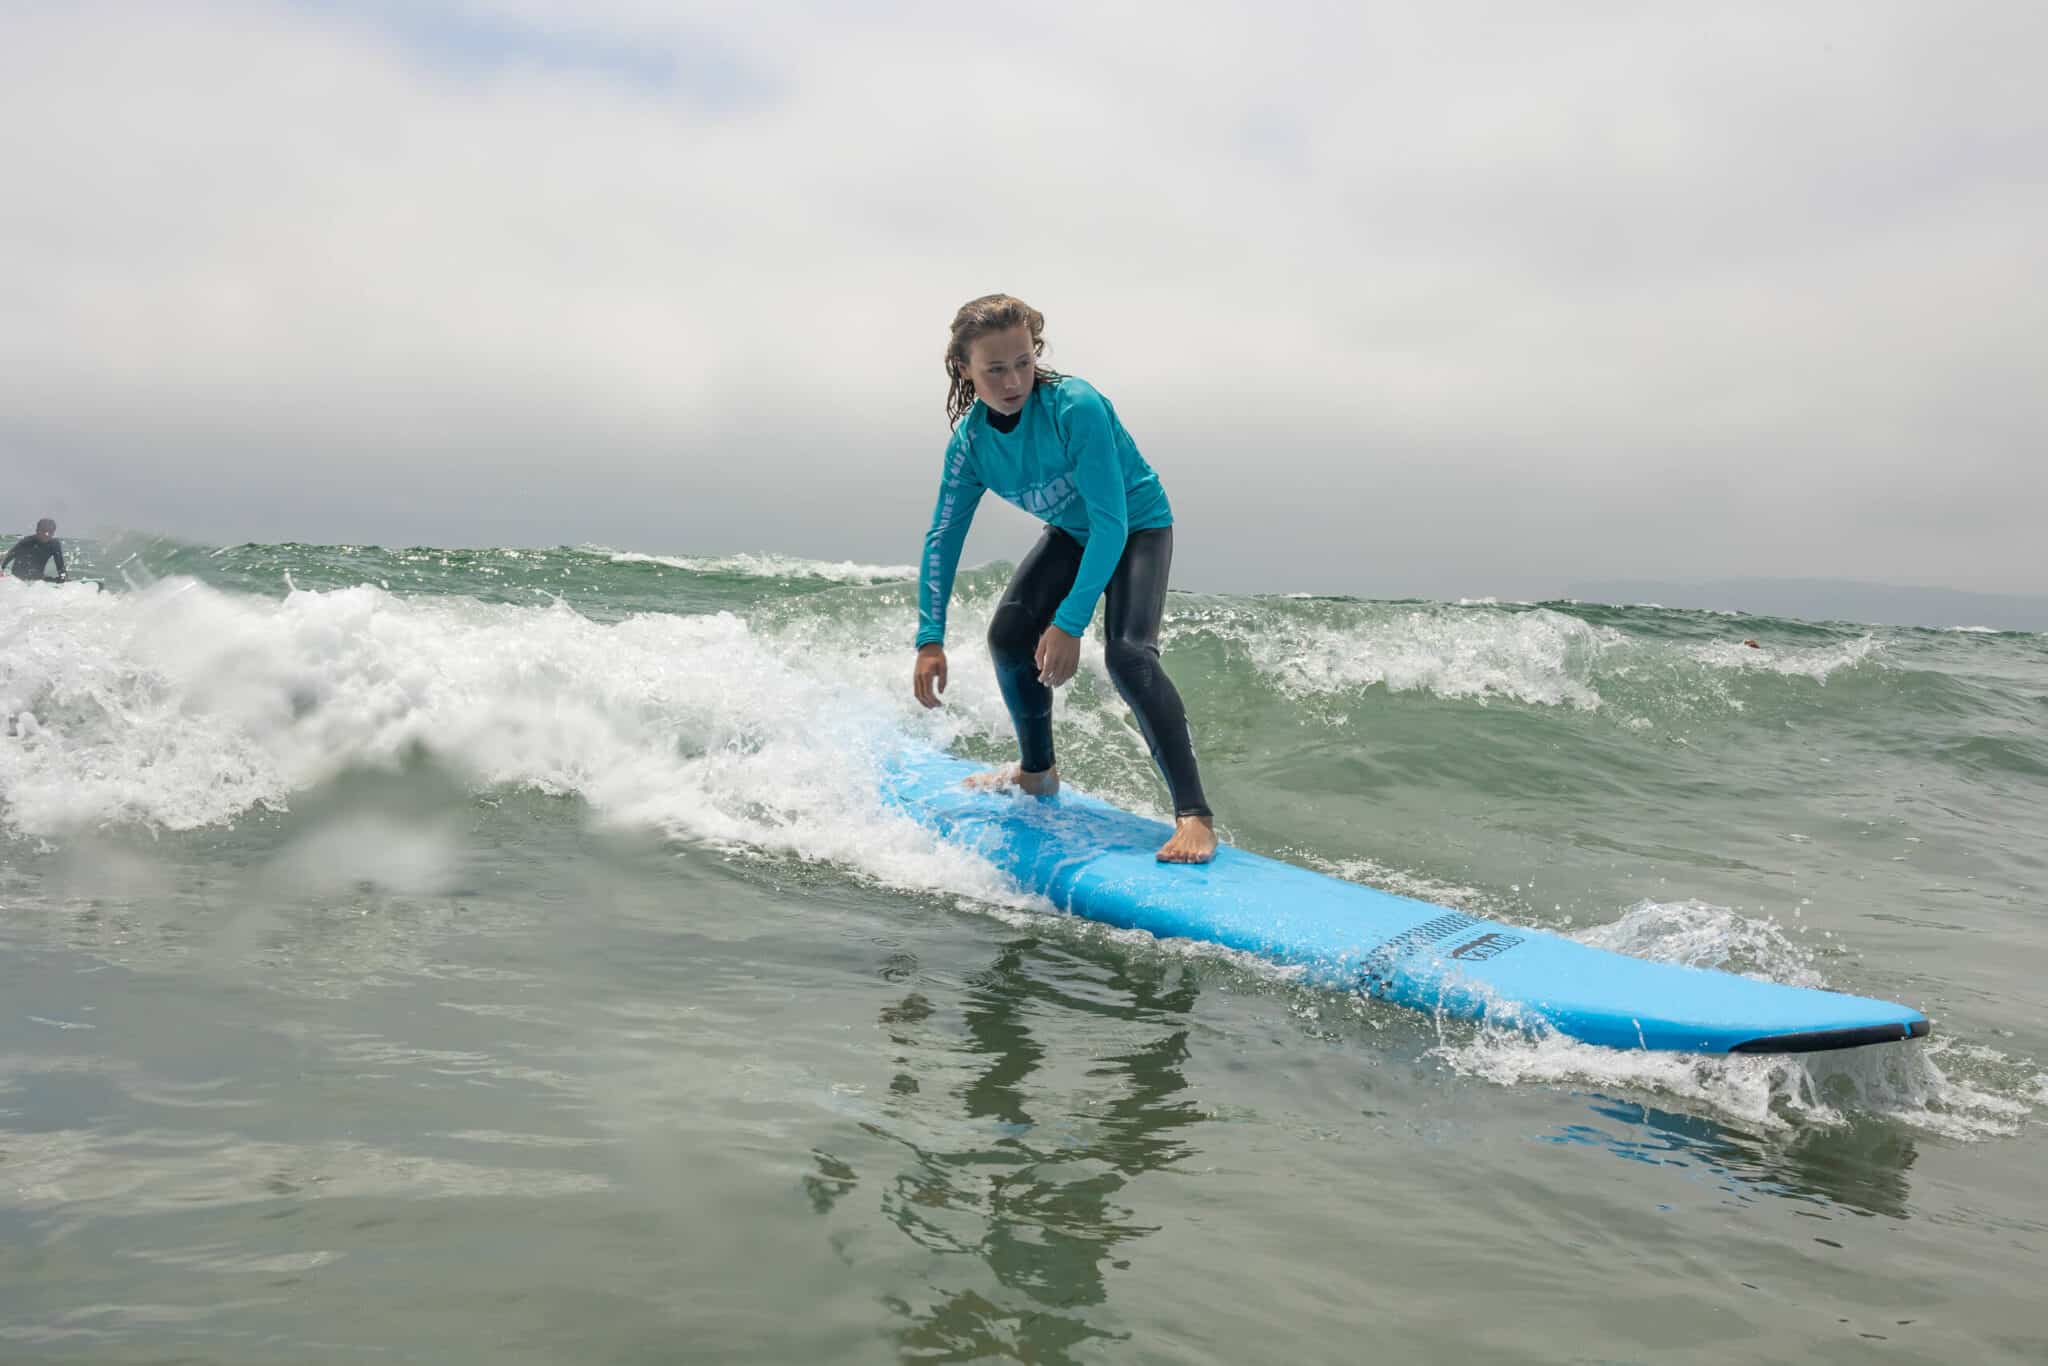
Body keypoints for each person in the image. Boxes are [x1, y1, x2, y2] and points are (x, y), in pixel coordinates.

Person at [911, 294, 1218, 864]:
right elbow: (941, 539)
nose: (1012, 381)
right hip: (1073, 532)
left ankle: (1194, 816)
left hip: (1136, 525)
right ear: (965, 370)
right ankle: (1037, 774)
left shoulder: (1075, 407)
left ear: (1036, 354)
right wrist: (930, 638)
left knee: (1129, 655)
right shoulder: (971, 446)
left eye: (1023, 362)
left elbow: (1111, 522)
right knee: (1007, 637)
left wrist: (1069, 623)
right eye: (994, 369)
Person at [2, 518, 67, 582]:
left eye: (50, 531)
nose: (46, 534)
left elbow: (60, 566)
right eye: (44, 530)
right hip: (18, 577)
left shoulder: (55, 545)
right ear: (37, 530)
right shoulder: (26, 542)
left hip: (37, 578)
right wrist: (1, 570)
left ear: (53, 533)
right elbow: (9, 556)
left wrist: (63, 577)